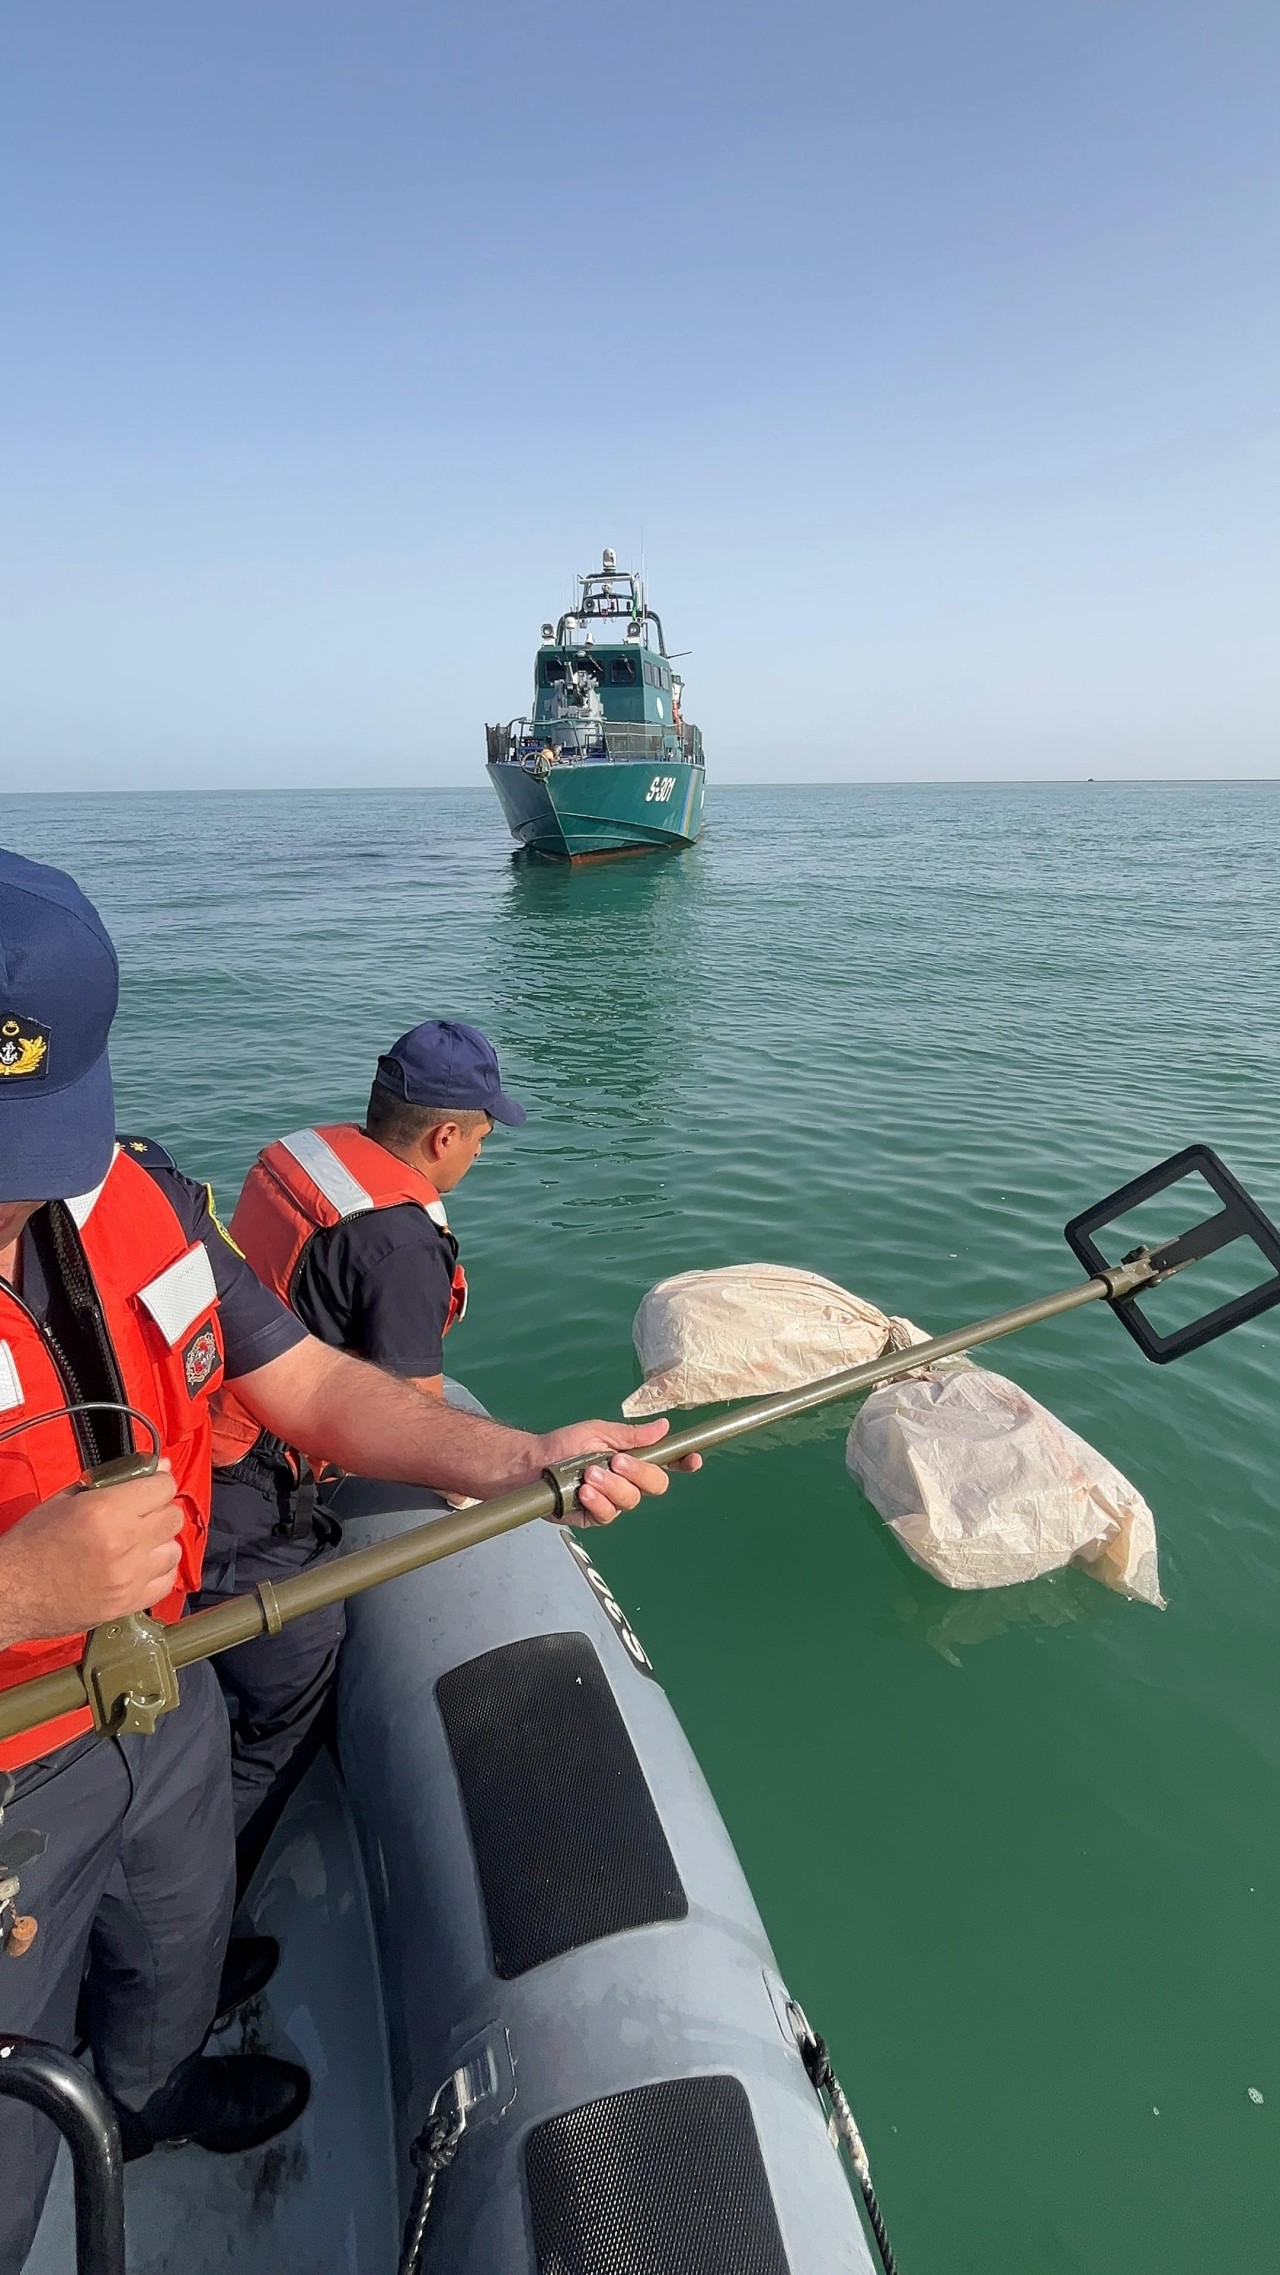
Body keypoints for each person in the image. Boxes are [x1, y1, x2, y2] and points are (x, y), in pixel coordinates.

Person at [0, 851, 695, 2273]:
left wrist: (518, 1459)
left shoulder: (136, 1196)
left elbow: (310, 1381)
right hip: (14, 1756)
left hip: (165, 1683)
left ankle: (158, 2089)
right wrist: (20, 1588)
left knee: (178, 1931)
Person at [198, 1019, 521, 1886]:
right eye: (483, 1136)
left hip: (194, 1423)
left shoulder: (298, 1154)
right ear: (442, 1136)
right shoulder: (400, 1243)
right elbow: (420, 1425)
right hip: (249, 1491)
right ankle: (195, 1926)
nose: (481, 1155)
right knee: (289, 1697)